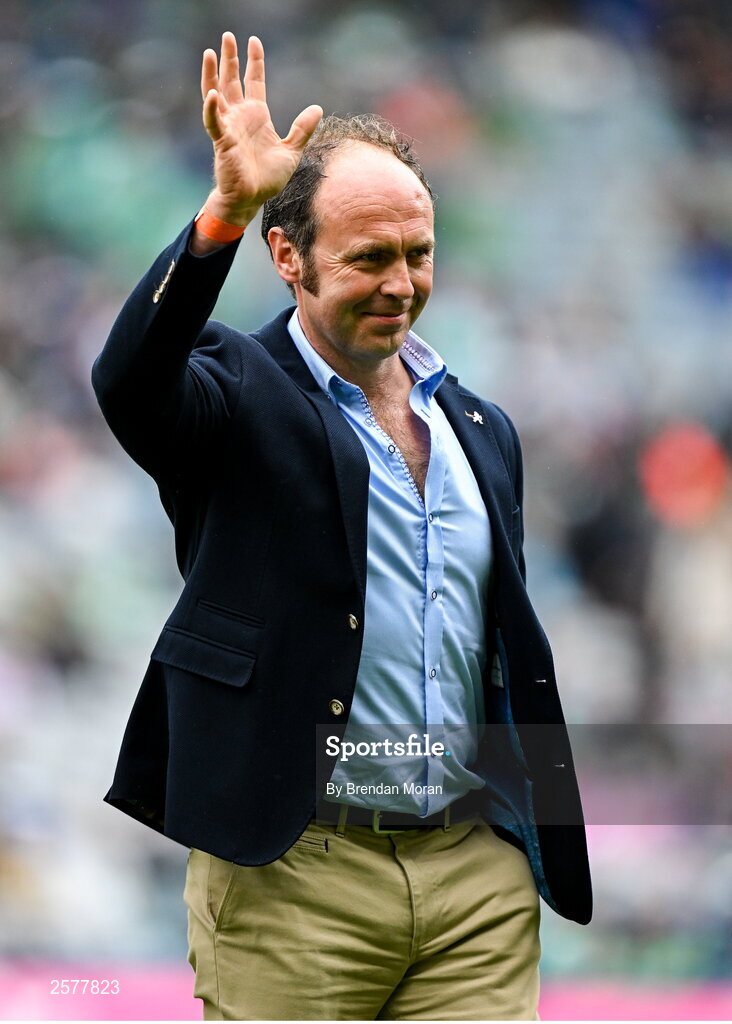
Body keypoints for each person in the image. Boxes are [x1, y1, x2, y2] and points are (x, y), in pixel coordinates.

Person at [92, 31, 591, 1021]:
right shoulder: (233, 390)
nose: (400, 283)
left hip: (472, 882)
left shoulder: (482, 428)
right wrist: (223, 212)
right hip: (297, 878)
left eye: (418, 253)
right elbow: (131, 382)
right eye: (369, 257)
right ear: (287, 256)